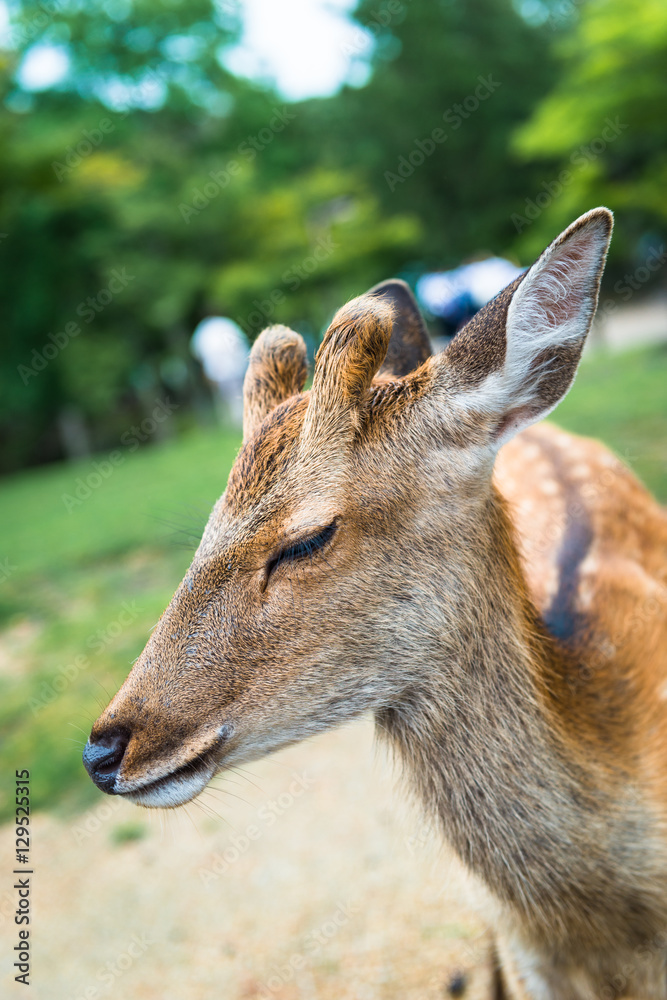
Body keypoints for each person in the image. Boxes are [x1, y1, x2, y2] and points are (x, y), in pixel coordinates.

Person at [190, 316, 249, 427]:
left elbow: (199, 355)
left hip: (221, 371)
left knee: (230, 398)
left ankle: (236, 422)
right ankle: (237, 421)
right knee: (237, 396)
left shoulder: (204, 330)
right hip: (235, 367)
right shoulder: (226, 324)